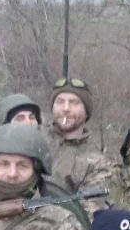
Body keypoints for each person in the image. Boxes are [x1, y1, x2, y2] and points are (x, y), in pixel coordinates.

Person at [45, 78, 111, 213]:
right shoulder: (34, 138)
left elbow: (90, 211)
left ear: (86, 111)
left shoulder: (96, 162)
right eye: (60, 102)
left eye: (74, 103)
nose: (66, 108)